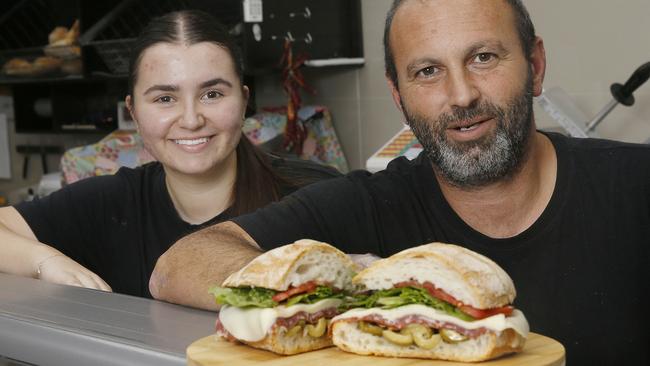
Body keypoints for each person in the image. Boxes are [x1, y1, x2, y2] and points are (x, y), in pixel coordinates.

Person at [150, 0, 650, 364]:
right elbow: (179, 266)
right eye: (427, 71)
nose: (460, 95)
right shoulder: (369, 203)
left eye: (483, 58)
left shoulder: (634, 185)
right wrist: (307, 294)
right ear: (398, 95)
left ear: (535, 67)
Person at [0, 10, 340, 298]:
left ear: (244, 99)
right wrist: (44, 260)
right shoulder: (111, 204)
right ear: (132, 111)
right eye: (165, 99)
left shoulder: (318, 198)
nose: (191, 120)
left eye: (212, 94)